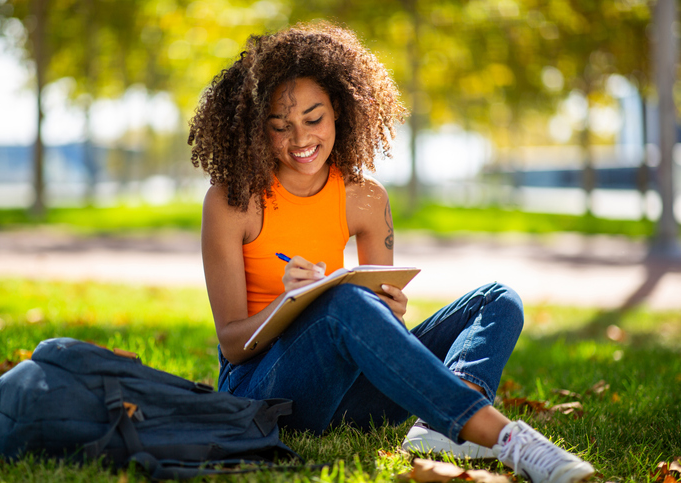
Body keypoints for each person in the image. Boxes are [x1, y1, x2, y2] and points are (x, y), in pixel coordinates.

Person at [189, 21, 594, 483]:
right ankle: (505, 439)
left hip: (347, 398)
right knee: (340, 302)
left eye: (313, 119)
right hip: (264, 392)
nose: (300, 140)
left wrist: (391, 310)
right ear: (256, 129)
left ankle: (439, 429)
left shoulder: (365, 197)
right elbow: (233, 346)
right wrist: (290, 305)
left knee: (496, 299)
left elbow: (377, 325)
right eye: (280, 127)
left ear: (339, 109)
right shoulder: (231, 200)